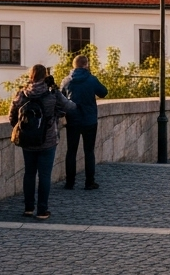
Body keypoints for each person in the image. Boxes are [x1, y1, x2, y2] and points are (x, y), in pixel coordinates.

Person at [9, 63, 77, 220]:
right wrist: (57, 93)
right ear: (45, 76)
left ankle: (28, 208)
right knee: (44, 176)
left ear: (31, 75)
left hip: (27, 141)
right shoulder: (51, 94)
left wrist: (24, 130)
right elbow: (70, 107)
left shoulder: (22, 93)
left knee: (29, 173)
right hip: (48, 141)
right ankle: (42, 210)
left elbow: (12, 116)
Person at [62, 54, 109, 190]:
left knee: (71, 151)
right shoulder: (91, 79)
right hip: (89, 120)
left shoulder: (66, 81)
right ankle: (89, 182)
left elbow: (61, 99)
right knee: (89, 151)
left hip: (72, 120)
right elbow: (103, 92)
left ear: (74, 65)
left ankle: (70, 182)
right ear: (86, 65)